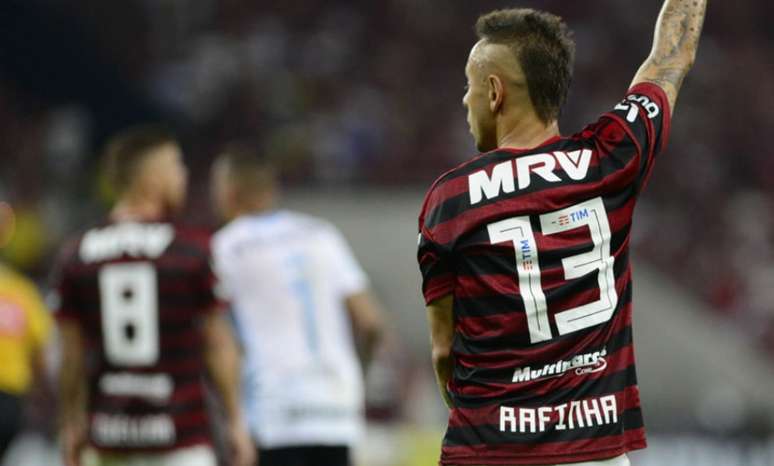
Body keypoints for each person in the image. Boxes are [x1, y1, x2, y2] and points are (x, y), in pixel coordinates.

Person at [418, 2, 707, 465]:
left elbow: (443, 352)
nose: (464, 101)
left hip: (488, 448)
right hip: (594, 451)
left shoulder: (450, 199)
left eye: (468, 87)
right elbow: (672, 58)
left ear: (493, 92)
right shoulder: (609, 159)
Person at [52, 126, 254, 466]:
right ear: (152, 177)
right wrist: (236, 420)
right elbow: (218, 342)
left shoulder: (77, 254)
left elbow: (70, 355)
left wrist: (71, 422)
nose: (184, 176)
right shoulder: (189, 251)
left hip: (108, 437)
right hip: (180, 436)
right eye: (176, 165)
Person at [210, 146, 385, 466]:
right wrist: (355, 374)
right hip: (336, 408)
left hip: (274, 413)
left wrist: (231, 415)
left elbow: (219, 337)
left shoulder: (226, 248)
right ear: (271, 189)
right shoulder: (321, 235)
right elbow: (371, 322)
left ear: (228, 192)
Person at [0, 203, 52, 462]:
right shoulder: (23, 293)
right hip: (11, 399)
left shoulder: (24, 293)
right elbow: (40, 358)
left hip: (10, 398)